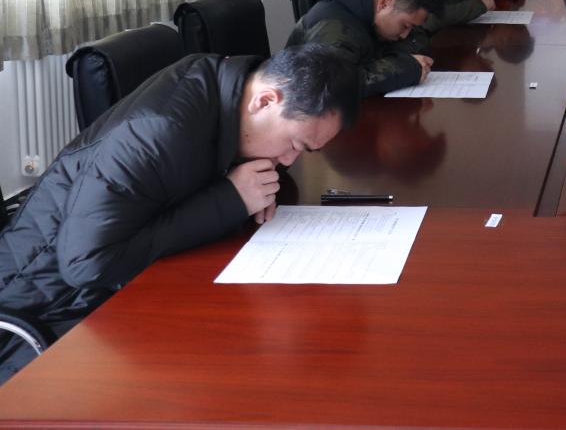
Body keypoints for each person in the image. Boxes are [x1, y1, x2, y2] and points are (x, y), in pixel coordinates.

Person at [0, 44, 359, 382]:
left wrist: (253, 183)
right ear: (265, 100)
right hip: (40, 316)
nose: (289, 159)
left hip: (109, 291)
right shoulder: (155, 134)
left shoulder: (226, 87)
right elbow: (85, 265)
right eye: (294, 144)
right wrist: (229, 200)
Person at [287, 0, 442, 97]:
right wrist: (406, 68)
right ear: (384, 4)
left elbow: (416, 39)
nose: (405, 35)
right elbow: (332, 85)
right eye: (405, 26)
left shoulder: (368, 10)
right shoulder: (335, 27)